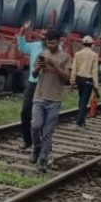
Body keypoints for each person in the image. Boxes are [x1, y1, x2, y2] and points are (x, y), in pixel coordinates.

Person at [30, 29, 72, 173]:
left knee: (48, 132)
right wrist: (37, 68)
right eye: (48, 43)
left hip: (54, 99)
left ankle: (42, 160)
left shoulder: (65, 57)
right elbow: (34, 75)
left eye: (53, 43)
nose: (50, 45)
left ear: (58, 42)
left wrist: (54, 65)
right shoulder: (42, 55)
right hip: (39, 96)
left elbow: (67, 77)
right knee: (35, 126)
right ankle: (36, 147)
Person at [15, 22, 44, 150]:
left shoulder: (55, 49)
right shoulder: (35, 46)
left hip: (46, 85)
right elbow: (22, 46)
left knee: (42, 115)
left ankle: (41, 142)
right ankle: (27, 140)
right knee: (25, 112)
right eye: (41, 35)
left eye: (45, 35)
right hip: (33, 82)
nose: (42, 37)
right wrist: (22, 31)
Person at [69, 35, 100, 129]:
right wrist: (96, 86)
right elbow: (94, 71)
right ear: (91, 44)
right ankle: (78, 123)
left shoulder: (77, 54)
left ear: (83, 43)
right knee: (84, 101)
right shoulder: (94, 55)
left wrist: (72, 80)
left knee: (81, 99)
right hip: (88, 80)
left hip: (79, 79)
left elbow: (74, 68)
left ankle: (82, 121)